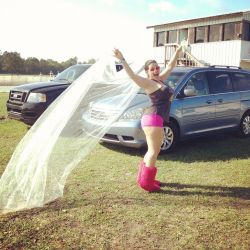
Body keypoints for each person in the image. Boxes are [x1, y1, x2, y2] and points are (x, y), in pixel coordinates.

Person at [113, 45, 182, 192]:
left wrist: (177, 52)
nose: (156, 70)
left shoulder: (160, 80)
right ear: (147, 72)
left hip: (154, 118)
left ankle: (144, 178)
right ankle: (147, 184)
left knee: (152, 150)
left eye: (157, 68)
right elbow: (132, 75)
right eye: (152, 69)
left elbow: (170, 66)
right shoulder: (148, 83)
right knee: (154, 151)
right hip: (153, 118)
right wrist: (122, 59)